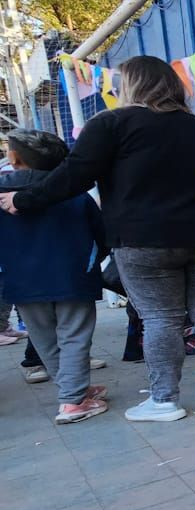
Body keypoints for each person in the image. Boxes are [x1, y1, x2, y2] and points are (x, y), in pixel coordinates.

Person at [0, 56, 195, 422]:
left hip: (145, 240)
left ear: (129, 86)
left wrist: (23, 199)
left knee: (161, 318)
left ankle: (165, 400)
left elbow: (75, 176)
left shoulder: (111, 124)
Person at [0, 129, 108, 423]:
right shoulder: (75, 194)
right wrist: (92, 262)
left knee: (44, 337)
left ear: (13, 158)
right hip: (72, 275)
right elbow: (102, 235)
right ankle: (72, 401)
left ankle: (75, 391)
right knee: (74, 336)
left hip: (20, 280)